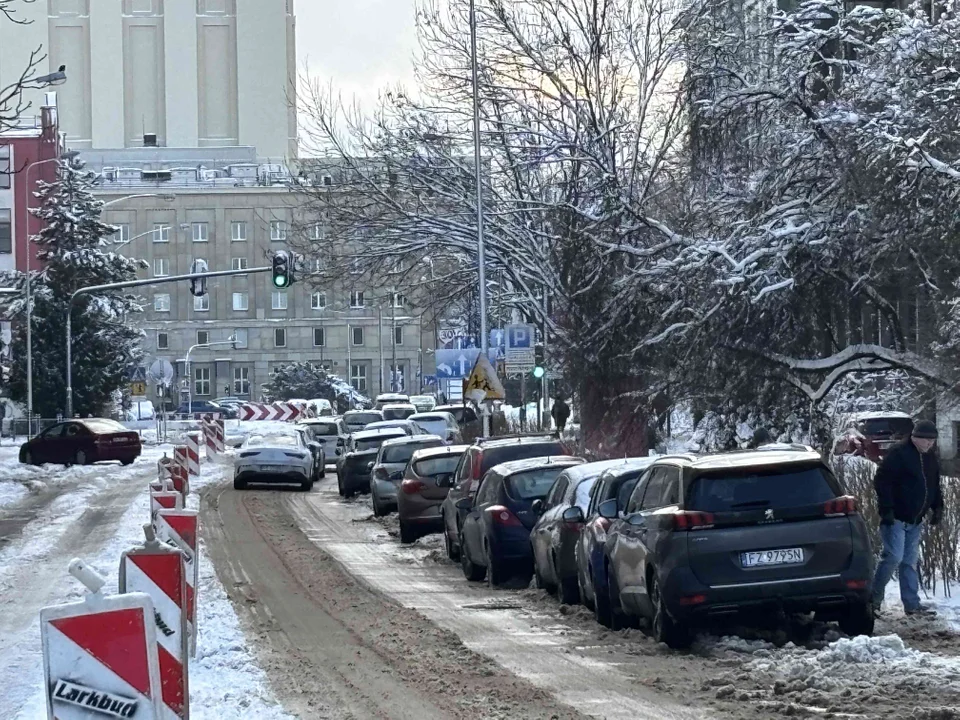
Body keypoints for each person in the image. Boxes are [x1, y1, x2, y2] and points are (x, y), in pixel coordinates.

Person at [871, 419, 942, 616]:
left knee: (909, 561)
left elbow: (935, 485)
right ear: (914, 437)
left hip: (916, 519)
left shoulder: (930, 458)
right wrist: (886, 509)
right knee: (893, 557)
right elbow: (882, 481)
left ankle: (912, 605)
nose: (929, 444)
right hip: (896, 517)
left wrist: (937, 508)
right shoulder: (899, 453)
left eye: (932, 441)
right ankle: (873, 600)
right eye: (925, 440)